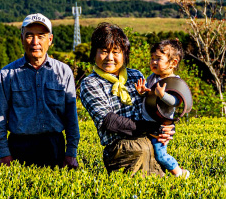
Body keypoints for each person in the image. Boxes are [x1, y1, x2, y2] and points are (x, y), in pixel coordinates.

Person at [78, 23, 174, 176]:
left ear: (125, 54)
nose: (110, 57)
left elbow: (152, 108)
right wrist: (151, 128)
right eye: (103, 51)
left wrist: (165, 127)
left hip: (150, 144)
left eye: (116, 52)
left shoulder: (136, 76)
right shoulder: (90, 83)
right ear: (94, 53)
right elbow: (109, 121)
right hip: (122, 149)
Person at [0, 13, 81, 168]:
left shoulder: (64, 71)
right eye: (29, 36)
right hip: (19, 147)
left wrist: (71, 152)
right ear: (21, 38)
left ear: (50, 40)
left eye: (41, 36)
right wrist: (4, 154)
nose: (35, 42)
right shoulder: (7, 74)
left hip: (55, 147)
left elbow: (71, 117)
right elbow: (0, 117)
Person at [135, 39, 191, 178]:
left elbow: (176, 102)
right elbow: (148, 95)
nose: (153, 62)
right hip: (146, 122)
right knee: (150, 151)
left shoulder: (174, 81)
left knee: (160, 154)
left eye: (158, 58)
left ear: (173, 63)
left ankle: (179, 172)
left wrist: (163, 95)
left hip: (161, 125)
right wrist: (142, 91)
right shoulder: (152, 78)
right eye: (152, 58)